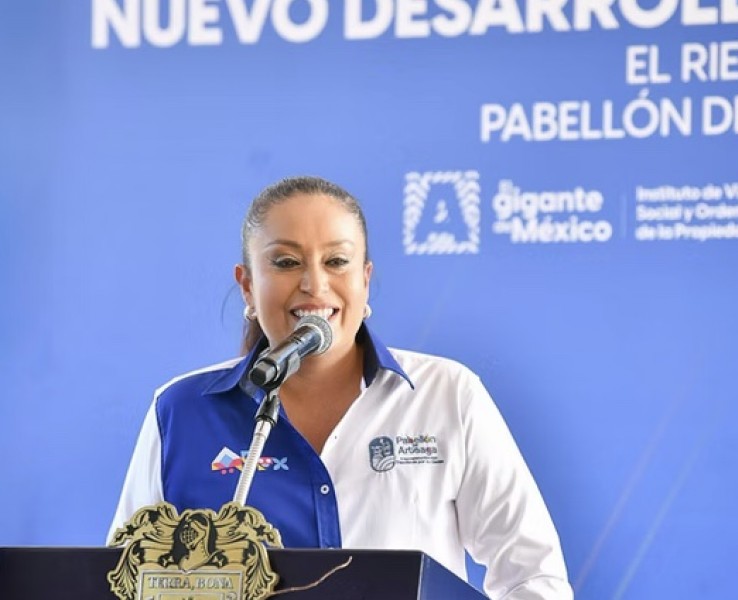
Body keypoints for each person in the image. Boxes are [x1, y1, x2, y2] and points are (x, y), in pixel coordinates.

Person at [108, 175, 573, 600]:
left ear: (364, 280)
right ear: (247, 286)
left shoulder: (446, 394)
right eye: (286, 262)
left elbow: (533, 577)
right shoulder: (181, 411)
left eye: (336, 261)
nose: (315, 284)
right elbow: (122, 580)